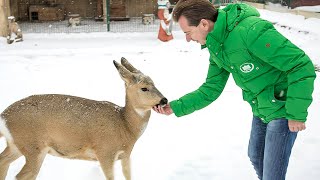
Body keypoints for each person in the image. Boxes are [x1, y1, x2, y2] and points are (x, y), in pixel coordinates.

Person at [152, 0, 316, 179]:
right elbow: (211, 88)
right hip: (261, 107)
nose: (188, 39)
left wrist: (296, 114)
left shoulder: (251, 31)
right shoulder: (217, 44)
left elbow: (301, 66)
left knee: (272, 173)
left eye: (188, 32)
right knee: (256, 157)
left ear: (204, 24)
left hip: (284, 108)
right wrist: (175, 107)